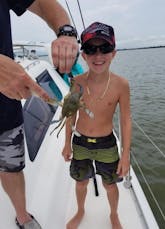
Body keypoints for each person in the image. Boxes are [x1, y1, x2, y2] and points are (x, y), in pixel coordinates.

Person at [0, 0, 79, 228]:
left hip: (6, 109)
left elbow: (44, 5)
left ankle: (22, 217)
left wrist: (65, 31)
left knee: (11, 167)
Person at [62, 22, 132, 229]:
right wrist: (67, 143)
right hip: (80, 142)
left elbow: (126, 119)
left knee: (110, 185)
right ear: (83, 55)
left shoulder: (121, 84)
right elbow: (69, 115)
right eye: (91, 49)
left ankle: (113, 214)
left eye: (105, 48)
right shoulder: (77, 82)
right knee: (81, 182)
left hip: (107, 145)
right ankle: (80, 210)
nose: (98, 55)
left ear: (114, 53)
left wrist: (125, 154)